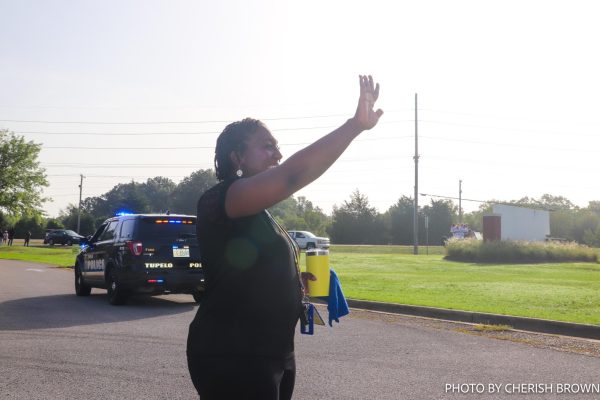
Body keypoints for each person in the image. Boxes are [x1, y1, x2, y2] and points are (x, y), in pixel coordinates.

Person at [187, 75, 383, 400]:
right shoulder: (221, 199)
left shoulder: (259, 213)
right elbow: (292, 174)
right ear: (237, 157)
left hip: (274, 353)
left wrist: (293, 281)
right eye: (267, 146)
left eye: (277, 147)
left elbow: (251, 271)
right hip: (232, 355)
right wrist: (354, 126)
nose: (277, 154)